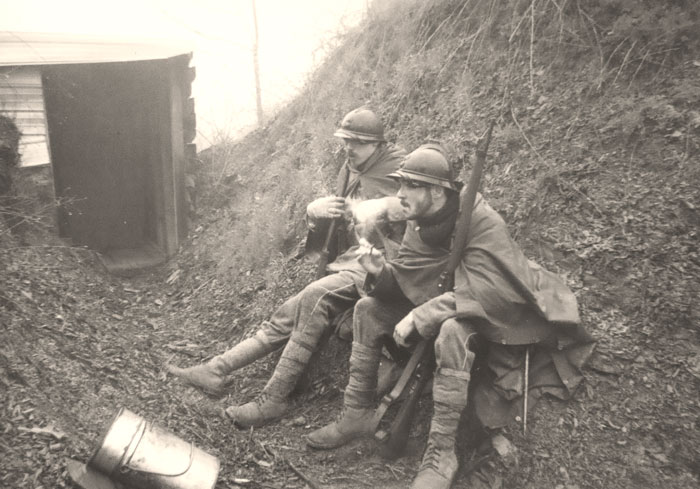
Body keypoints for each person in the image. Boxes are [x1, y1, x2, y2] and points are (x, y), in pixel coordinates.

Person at [305, 144, 595, 489]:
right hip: (449, 302)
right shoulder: (419, 220)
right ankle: (356, 414)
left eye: (409, 186)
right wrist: (381, 274)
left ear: (436, 191)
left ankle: (442, 454)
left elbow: (493, 291)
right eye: (400, 185)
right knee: (368, 309)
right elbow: (414, 277)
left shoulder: (481, 219)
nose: (400, 195)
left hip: (494, 317)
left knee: (452, 332)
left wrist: (425, 314)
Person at [166, 107, 407, 422]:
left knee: (314, 297)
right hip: (351, 259)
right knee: (286, 314)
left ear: (378, 144)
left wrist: (374, 207)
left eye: (359, 142)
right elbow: (336, 220)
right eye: (347, 140)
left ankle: (274, 399)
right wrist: (313, 211)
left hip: (380, 264)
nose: (350, 147)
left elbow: (413, 207)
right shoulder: (350, 168)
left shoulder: (398, 167)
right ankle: (216, 369)